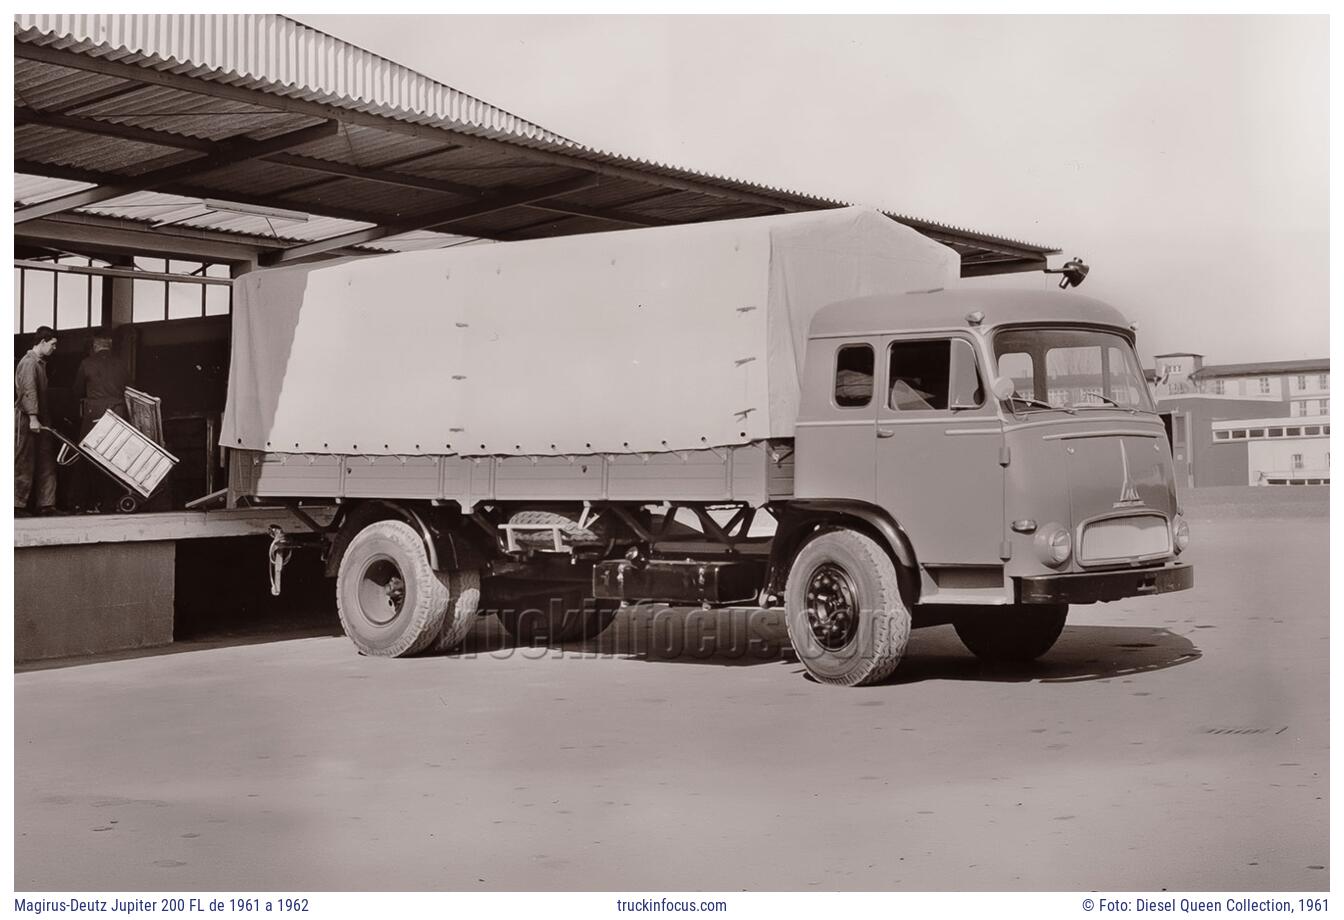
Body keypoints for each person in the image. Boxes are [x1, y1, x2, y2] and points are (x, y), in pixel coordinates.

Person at [72, 332, 131, 512]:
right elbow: (130, 387)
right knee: (113, 457)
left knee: (88, 458)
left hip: (94, 416)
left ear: (94, 347)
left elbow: (77, 391)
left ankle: (84, 502)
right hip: (118, 414)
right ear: (109, 346)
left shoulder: (87, 363)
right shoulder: (122, 364)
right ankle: (111, 501)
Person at [15, 326, 58, 517]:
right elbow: (28, 391)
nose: (54, 349)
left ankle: (46, 504)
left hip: (42, 419)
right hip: (27, 419)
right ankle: (16, 505)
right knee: (24, 460)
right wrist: (33, 417)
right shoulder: (28, 363)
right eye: (53, 344)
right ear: (42, 342)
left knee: (46, 460)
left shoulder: (41, 364)